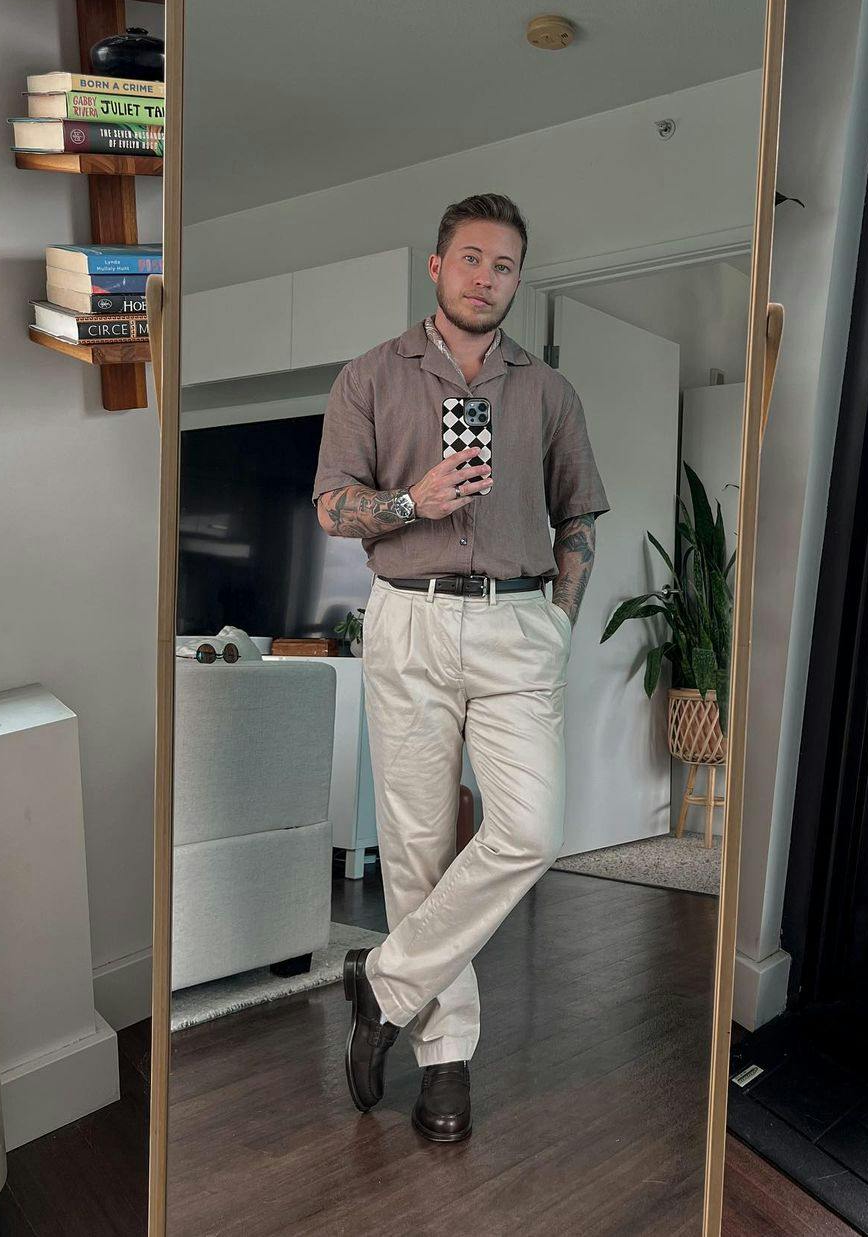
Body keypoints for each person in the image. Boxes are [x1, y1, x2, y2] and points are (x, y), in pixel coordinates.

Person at [311, 192, 610, 1143]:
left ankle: (386, 983)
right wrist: (413, 501)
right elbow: (331, 507)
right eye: (472, 259)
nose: (488, 277)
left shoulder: (550, 392)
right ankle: (446, 1059)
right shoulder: (370, 377)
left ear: (519, 279)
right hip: (409, 618)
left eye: (506, 265)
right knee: (417, 846)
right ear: (437, 268)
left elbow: (578, 519)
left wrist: (559, 622)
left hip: (521, 623)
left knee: (529, 830)